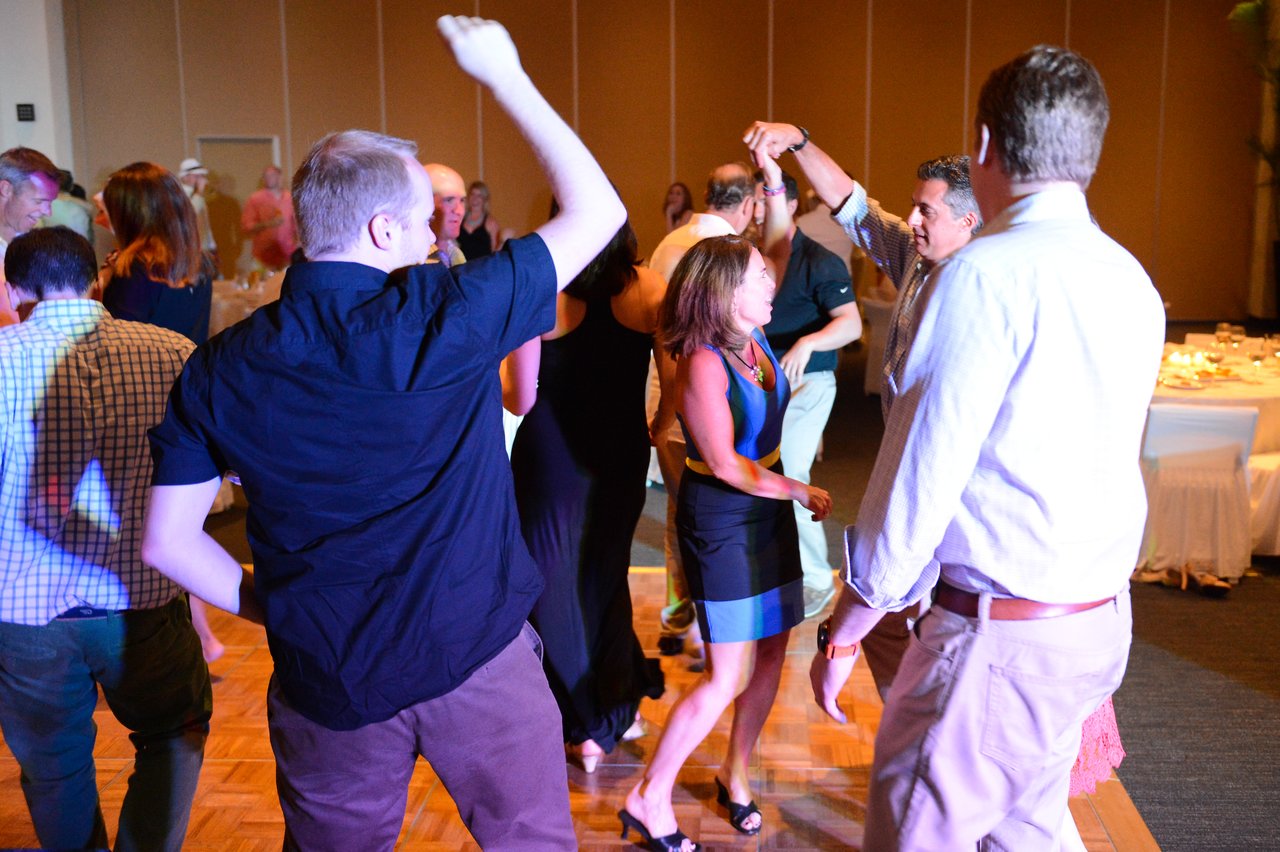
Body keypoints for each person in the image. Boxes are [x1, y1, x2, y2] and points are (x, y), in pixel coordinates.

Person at [139, 15, 625, 851]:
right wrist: (504, 74)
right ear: (382, 231)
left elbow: (166, 542)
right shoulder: (449, 310)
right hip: (480, 661)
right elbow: (599, 209)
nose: (437, 236)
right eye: (424, 220)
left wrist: (275, 610)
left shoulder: (220, 366)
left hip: (328, 681)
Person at [759, 45, 1165, 849]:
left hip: (998, 634)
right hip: (1095, 622)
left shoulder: (982, 275)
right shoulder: (1129, 277)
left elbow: (921, 480)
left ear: (984, 145)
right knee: (1025, 832)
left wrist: (847, 625)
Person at [621, 153, 831, 852]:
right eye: (760, 277)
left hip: (765, 511)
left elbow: (778, 235)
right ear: (725, 294)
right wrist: (796, 488)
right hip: (725, 518)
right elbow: (724, 464)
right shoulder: (705, 360)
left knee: (771, 655)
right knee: (725, 675)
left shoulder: (754, 334)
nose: (773, 281)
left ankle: (734, 776)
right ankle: (648, 796)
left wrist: (774, 170)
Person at [0, 226, 212, 852]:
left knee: (53, 764)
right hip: (142, 596)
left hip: (24, 609)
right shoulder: (172, 351)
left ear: (13, 290)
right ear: (96, 280)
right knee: (172, 734)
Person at [503, 217, 667, 774]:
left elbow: (520, 399)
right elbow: (673, 381)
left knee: (552, 588)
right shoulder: (649, 287)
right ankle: (615, 702)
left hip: (552, 458)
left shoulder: (541, 288)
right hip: (619, 452)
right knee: (605, 577)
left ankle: (587, 724)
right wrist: (658, 424)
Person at [647, 163, 758, 666]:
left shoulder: (668, 244)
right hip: (707, 404)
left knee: (679, 515)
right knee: (715, 520)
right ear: (748, 203)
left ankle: (678, 618)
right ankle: (711, 630)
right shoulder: (731, 254)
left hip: (664, 399)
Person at [753, 167, 862, 619]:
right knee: (759, 474)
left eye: (764, 200)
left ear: (790, 204)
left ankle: (817, 578)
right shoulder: (750, 258)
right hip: (762, 382)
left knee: (792, 472)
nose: (756, 210)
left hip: (809, 382)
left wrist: (808, 342)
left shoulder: (819, 261)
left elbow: (851, 324)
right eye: (754, 201)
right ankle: (778, 570)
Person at [100, 162, 214, 345]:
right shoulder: (200, 263)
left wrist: (101, 287)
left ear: (129, 215)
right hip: (189, 362)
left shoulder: (136, 267)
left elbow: (117, 343)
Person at [0, 147, 60, 325]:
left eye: (50, 203)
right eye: (39, 201)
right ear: (5, 189)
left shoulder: (38, 246)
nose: (48, 212)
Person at [240, 164, 296, 272]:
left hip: (287, 254)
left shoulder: (290, 198)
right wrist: (268, 224)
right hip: (263, 255)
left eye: (272, 175)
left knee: (287, 282)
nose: (268, 178)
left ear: (280, 177)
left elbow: (298, 225)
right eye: (266, 176)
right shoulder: (255, 199)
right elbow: (246, 226)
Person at [424, 162, 468, 267]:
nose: (459, 211)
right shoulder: (414, 259)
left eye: (462, 200)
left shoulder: (456, 255)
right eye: (449, 200)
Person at [178, 158, 219, 262]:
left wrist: (212, 244)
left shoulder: (198, 195)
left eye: (201, 176)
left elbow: (205, 223)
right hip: (190, 250)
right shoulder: (180, 194)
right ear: (185, 177)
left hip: (204, 248)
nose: (201, 179)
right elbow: (189, 213)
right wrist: (199, 192)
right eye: (196, 176)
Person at [459, 179, 503, 259]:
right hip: (462, 266)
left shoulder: (491, 223)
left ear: (485, 200)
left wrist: (503, 240)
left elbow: (495, 253)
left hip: (482, 266)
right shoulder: (460, 219)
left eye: (479, 196)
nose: (475, 199)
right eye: (472, 194)